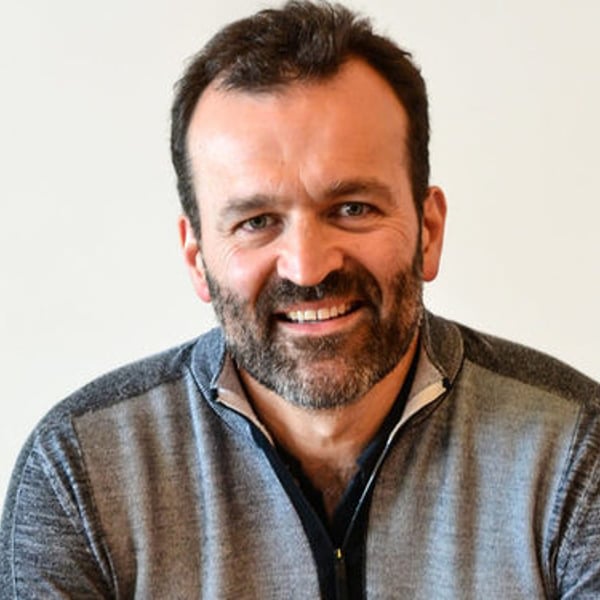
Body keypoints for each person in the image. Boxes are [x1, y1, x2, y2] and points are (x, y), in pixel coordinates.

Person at [1, 1, 599, 598]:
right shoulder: (80, 472)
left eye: (353, 208)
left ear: (429, 231)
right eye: (257, 221)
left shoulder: (573, 452)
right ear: (197, 258)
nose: (308, 266)